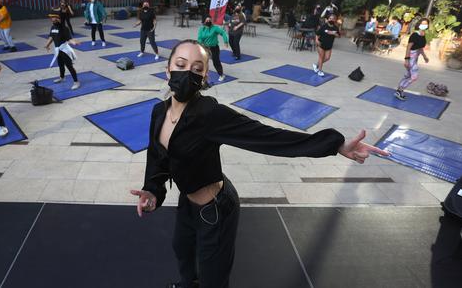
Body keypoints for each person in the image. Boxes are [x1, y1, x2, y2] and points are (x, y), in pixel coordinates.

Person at [130, 39, 389, 288]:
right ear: (167, 70)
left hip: (215, 210)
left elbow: (267, 137)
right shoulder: (159, 112)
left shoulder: (209, 115)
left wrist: (335, 144)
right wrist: (153, 190)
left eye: (197, 69)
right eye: (181, 64)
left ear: (205, 77)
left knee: (212, 276)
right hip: (187, 203)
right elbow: (157, 158)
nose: (188, 73)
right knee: (183, 252)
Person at [44, 12, 81, 90]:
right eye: (51, 17)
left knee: (69, 66)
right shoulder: (53, 27)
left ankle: (76, 82)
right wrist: (47, 45)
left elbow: (69, 39)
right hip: (57, 50)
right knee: (60, 64)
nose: (51, 19)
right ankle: (62, 77)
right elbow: (51, 37)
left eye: (53, 17)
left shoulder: (64, 28)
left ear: (58, 18)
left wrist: (74, 42)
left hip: (64, 50)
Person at [395, 18, 430, 101]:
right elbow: (408, 47)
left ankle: (399, 90)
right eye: (423, 23)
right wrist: (406, 59)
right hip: (411, 58)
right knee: (414, 76)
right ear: (419, 24)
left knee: (408, 75)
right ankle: (400, 90)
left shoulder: (423, 35)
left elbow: (420, 48)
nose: (424, 25)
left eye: (426, 24)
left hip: (415, 58)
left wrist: (425, 57)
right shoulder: (415, 35)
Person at [197, 16, 229, 82]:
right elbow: (200, 38)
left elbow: (223, 32)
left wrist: (225, 41)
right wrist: (200, 45)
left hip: (214, 48)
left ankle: (221, 75)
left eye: (209, 20)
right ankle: (202, 75)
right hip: (205, 48)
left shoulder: (215, 28)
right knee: (203, 62)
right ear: (204, 21)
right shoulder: (201, 29)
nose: (208, 21)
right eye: (207, 20)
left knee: (216, 62)